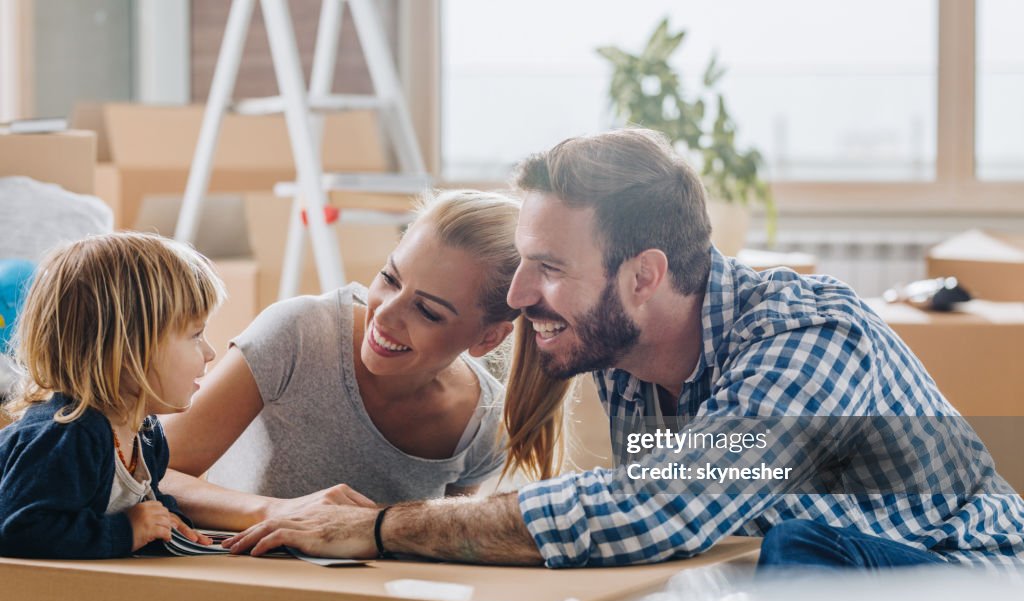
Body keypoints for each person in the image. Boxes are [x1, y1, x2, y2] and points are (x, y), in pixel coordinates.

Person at [224, 128, 1024, 569]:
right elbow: (639, 509)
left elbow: (659, 510)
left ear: (645, 275)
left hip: (970, 592)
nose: (518, 295)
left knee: (795, 557)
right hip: (837, 585)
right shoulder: (630, 363)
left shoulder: (812, 342)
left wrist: (386, 526)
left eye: (549, 269)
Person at [159, 190, 571, 530]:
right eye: (390, 278)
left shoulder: (484, 425)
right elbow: (144, 474)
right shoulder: (298, 333)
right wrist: (276, 511)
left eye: (428, 312)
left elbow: (438, 547)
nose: (386, 314)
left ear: (487, 338)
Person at [0, 232, 221, 559]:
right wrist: (127, 531)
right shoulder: (67, 437)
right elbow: (18, 530)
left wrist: (167, 520)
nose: (210, 352)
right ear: (129, 349)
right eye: (195, 335)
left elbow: (144, 500)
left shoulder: (145, 434)